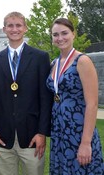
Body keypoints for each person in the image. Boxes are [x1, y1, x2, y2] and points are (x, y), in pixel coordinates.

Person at [0, 11, 53, 175]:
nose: (14, 29)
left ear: (25, 28)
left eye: (18, 25)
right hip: (2, 136)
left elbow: (45, 99)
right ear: (4, 29)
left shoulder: (40, 58)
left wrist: (42, 132)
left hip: (32, 136)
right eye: (10, 25)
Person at [46, 17, 104, 174]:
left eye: (64, 33)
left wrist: (86, 142)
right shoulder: (54, 63)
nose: (60, 38)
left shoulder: (82, 61)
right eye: (55, 35)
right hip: (59, 130)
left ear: (73, 34)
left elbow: (92, 104)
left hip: (78, 130)